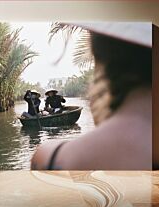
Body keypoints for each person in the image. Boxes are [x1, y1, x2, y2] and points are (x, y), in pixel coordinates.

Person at [31, 22, 152, 170]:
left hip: (59, 113)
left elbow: (60, 102)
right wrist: (47, 108)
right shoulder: (46, 99)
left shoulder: (48, 156)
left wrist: (55, 105)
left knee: (56, 111)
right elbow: (48, 106)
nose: (50, 95)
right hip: (56, 112)